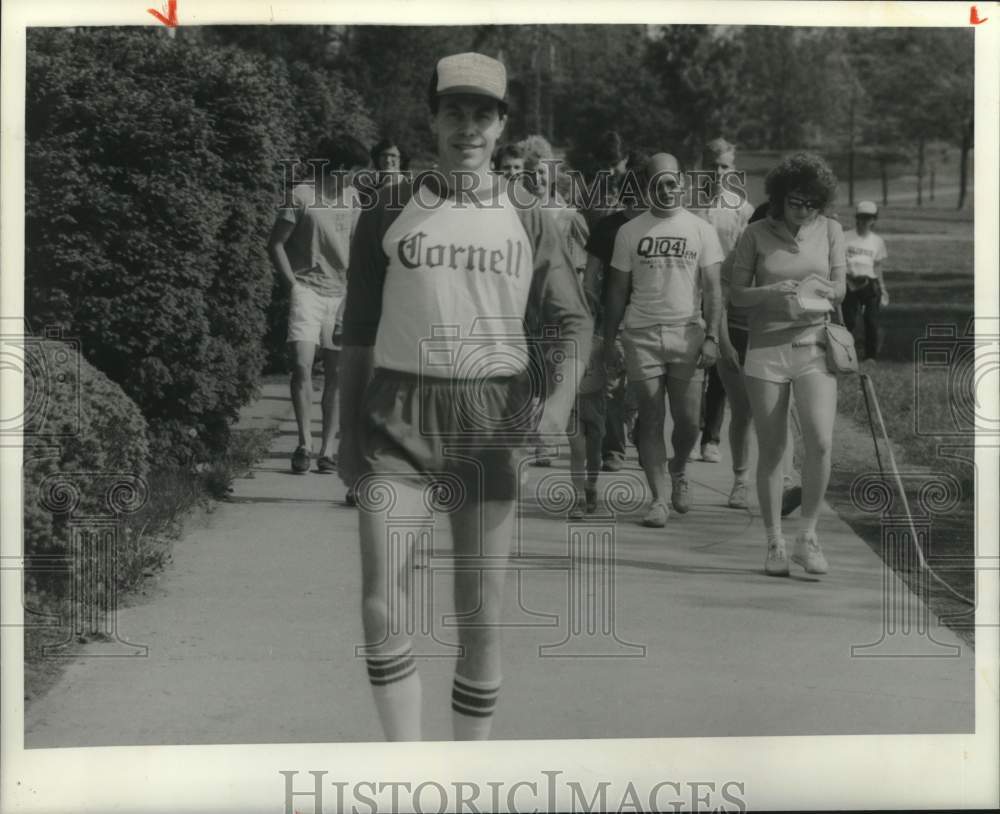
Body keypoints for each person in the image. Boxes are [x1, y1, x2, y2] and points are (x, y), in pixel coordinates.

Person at [337, 52, 591, 741]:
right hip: (398, 417)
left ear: (502, 124)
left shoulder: (531, 217)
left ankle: (467, 774)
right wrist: (344, 435)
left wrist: (559, 406)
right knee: (382, 607)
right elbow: (357, 331)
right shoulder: (389, 209)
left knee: (479, 616)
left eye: (483, 113)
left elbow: (573, 321)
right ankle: (406, 768)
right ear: (432, 118)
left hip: (489, 419)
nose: (468, 126)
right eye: (454, 111)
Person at [729, 152, 846, 576]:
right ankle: (775, 542)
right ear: (779, 198)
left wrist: (822, 290)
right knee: (774, 449)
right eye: (796, 201)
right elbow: (736, 294)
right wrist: (771, 292)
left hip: (814, 344)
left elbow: (842, 289)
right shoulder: (756, 233)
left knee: (820, 441)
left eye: (812, 203)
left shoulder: (831, 229)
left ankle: (807, 536)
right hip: (766, 350)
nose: (804, 210)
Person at [604, 153, 724, 527]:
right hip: (641, 335)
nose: (667, 189)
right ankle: (658, 500)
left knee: (688, 423)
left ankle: (679, 469)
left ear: (683, 183)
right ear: (646, 187)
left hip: (687, 334)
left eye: (672, 182)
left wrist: (712, 337)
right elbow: (616, 290)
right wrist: (609, 339)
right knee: (651, 420)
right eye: (658, 183)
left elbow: (714, 290)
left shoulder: (701, 228)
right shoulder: (630, 231)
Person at [267, 135, 369, 475]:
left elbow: (358, 251)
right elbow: (276, 244)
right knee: (301, 366)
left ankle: (327, 450)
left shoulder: (354, 199)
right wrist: (293, 286)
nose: (356, 178)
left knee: (337, 375)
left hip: (341, 293)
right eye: (353, 171)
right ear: (337, 168)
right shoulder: (301, 196)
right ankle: (303, 444)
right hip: (307, 291)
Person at [582, 150, 649, 473]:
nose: (636, 194)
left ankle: (636, 423)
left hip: (651, 317)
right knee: (610, 386)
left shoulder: (661, 227)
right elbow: (591, 273)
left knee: (641, 386)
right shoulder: (607, 226)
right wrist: (590, 303)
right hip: (611, 317)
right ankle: (614, 449)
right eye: (631, 188)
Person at [692, 138, 756, 470]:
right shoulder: (688, 206)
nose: (717, 172)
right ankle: (688, 431)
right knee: (688, 367)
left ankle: (711, 438)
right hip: (690, 295)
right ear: (702, 167)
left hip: (723, 295)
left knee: (719, 367)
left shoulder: (742, 211)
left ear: (733, 170)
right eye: (712, 165)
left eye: (724, 166)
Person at [842, 200, 889, 360]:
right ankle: (844, 355)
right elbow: (837, 263)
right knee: (848, 321)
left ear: (874, 220)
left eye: (868, 218)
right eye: (861, 217)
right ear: (856, 218)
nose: (864, 221)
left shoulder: (877, 241)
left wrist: (882, 289)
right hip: (849, 283)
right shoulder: (845, 237)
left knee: (871, 320)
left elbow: (877, 267)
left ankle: (870, 356)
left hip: (869, 284)